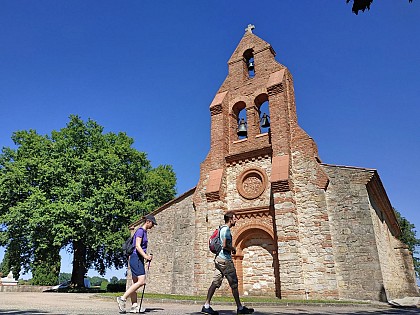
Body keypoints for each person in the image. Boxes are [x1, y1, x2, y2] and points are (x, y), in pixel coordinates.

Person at [201, 211, 254, 315]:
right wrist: (233, 249)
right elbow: (225, 245)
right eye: (234, 218)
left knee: (215, 282)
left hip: (218, 259)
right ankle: (240, 308)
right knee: (234, 283)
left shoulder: (221, 228)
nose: (236, 220)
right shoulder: (226, 230)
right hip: (225, 260)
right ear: (230, 219)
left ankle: (206, 306)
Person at [117, 214, 157, 313]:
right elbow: (138, 246)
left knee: (135, 283)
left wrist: (146, 256)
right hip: (136, 258)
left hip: (137, 258)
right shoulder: (140, 231)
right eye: (152, 223)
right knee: (142, 281)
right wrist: (146, 256)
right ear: (148, 221)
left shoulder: (144, 232)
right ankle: (122, 298)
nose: (153, 226)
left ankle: (134, 306)